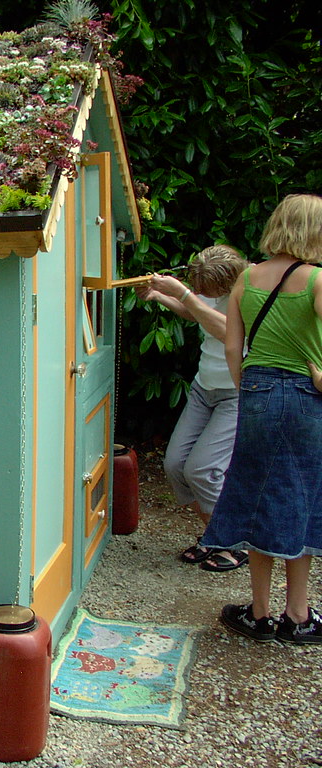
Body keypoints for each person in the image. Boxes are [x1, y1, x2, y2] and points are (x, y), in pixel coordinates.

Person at [201, 193, 322, 644]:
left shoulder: (247, 277)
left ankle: (259, 611)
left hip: (256, 391)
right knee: (302, 494)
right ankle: (298, 613)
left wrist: (247, 383)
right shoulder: (315, 281)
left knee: (256, 493)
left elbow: (233, 347)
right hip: (305, 398)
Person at [136, 245, 249, 572]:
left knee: (202, 469)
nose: (202, 294)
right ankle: (213, 535)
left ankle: (234, 542)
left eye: (207, 291)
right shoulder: (211, 288)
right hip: (205, 387)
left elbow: (229, 331)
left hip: (235, 391)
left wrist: (184, 294)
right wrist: (161, 297)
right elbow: (197, 311)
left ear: (228, 283)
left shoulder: (251, 290)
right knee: (174, 464)